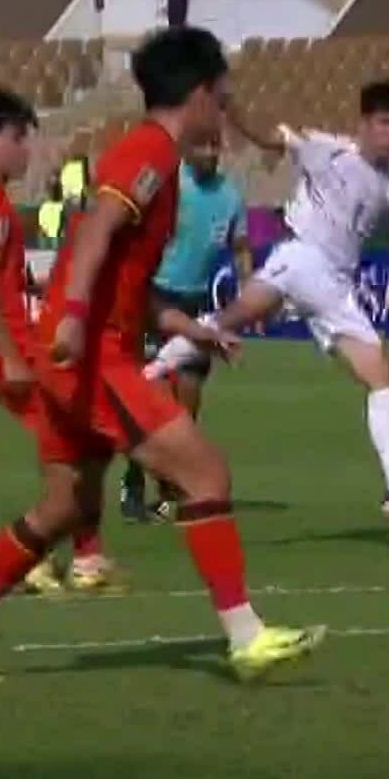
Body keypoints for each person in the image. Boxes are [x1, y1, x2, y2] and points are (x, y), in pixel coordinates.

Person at [0, 27, 324, 685]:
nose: (224, 111)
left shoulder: (156, 159)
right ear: (199, 94)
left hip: (81, 351)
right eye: (222, 97)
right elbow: (95, 235)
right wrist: (74, 317)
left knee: (64, 508)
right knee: (205, 474)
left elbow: (127, 278)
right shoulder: (149, 153)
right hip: (90, 357)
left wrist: (191, 329)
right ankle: (246, 637)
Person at [145, 81, 389, 527]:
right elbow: (270, 138)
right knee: (376, 376)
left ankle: (148, 372)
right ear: (364, 123)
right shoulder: (328, 151)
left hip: (333, 282)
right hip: (302, 259)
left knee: (231, 322)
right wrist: (231, 106)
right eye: (384, 122)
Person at [0, 88, 118, 597]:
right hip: (8, 351)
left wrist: (35, 286)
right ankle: (53, 559)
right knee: (74, 447)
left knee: (80, 441)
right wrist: (9, 356)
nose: (26, 148)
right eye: (17, 137)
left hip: (17, 344)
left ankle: (79, 556)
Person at [121, 131, 252, 524]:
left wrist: (248, 288)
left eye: (215, 146)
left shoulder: (230, 196)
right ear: (186, 149)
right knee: (153, 399)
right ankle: (135, 480)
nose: (210, 152)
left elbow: (240, 247)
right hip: (155, 298)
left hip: (196, 303)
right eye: (202, 146)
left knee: (188, 402)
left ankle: (171, 489)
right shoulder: (169, 186)